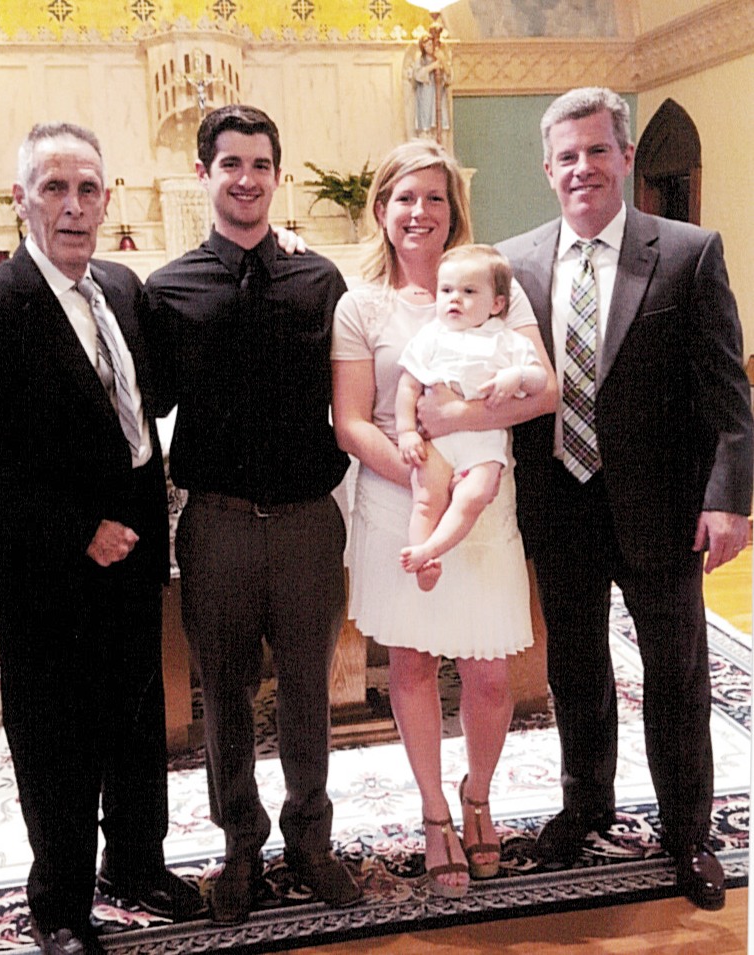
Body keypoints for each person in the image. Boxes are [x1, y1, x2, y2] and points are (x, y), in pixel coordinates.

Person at [420, 87, 753, 911]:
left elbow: (728, 393)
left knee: (676, 673)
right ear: (546, 167)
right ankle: (585, 805)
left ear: (626, 156)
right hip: (558, 500)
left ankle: (687, 833)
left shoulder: (687, 252)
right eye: (566, 155)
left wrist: (730, 500)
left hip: (662, 506)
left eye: (597, 150)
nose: (582, 168)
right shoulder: (513, 263)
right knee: (575, 666)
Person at [0, 123, 206, 955]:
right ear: (21, 199)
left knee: (137, 723)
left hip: (135, 551)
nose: (73, 206)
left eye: (88, 189)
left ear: (108, 200)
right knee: (55, 740)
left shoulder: (122, 286)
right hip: (48, 567)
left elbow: (152, 395)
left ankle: (136, 864)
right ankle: (60, 903)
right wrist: (77, 530)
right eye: (54, 188)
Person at [140, 104, 362, 926]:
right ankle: (240, 844)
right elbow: (146, 403)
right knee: (225, 694)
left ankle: (311, 838)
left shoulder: (320, 280)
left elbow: (354, 390)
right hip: (218, 523)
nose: (246, 178)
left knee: (308, 687)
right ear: (203, 174)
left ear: (278, 175)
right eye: (230, 164)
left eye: (260, 164)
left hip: (307, 521)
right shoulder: (166, 290)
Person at [331, 140, 557, 897]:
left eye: (434, 197)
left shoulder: (494, 286)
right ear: (381, 209)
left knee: (490, 674)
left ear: (453, 209)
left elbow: (544, 392)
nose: (419, 212)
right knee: (413, 665)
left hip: (483, 502)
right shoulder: (362, 305)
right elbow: (351, 421)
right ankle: (435, 812)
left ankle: (478, 796)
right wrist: (422, 471)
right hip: (401, 499)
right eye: (405, 197)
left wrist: (460, 423)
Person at [396, 243, 547, 589]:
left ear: (496, 304)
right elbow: (408, 386)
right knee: (425, 500)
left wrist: (517, 376)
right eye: (446, 290)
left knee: (474, 497)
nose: (455, 299)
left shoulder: (508, 341)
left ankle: (432, 548)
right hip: (437, 443)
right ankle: (424, 561)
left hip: (483, 445)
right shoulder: (431, 337)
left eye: (468, 292)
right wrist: (406, 432)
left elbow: (540, 382)